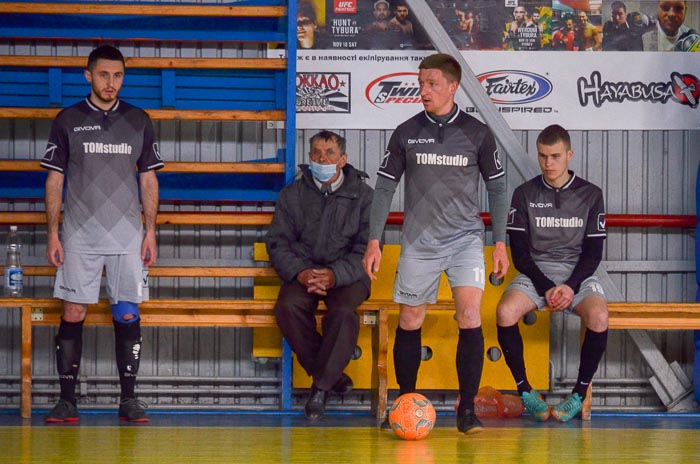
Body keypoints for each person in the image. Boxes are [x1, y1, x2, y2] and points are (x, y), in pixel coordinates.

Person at [362, 53, 509, 434]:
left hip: (465, 240)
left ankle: (466, 413)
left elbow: (497, 186)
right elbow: (383, 187)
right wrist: (374, 240)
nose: (423, 90)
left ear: (452, 87)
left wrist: (500, 244)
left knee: (470, 317)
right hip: (419, 241)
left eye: (431, 84)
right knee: (410, 319)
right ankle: (406, 404)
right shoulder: (405, 131)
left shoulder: (477, 133)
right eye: (421, 83)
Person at [41, 45, 164, 423]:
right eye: (104, 75)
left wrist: (150, 231)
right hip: (79, 235)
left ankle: (128, 400)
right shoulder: (68, 119)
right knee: (74, 311)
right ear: (88, 75)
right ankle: (67, 401)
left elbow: (148, 178)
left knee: (127, 314)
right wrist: (53, 233)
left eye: (118, 76)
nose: (111, 83)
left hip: (128, 236)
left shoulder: (139, 120)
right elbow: (54, 178)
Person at [496, 124, 608, 423]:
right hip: (536, 273)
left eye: (556, 156)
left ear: (569, 155)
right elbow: (519, 254)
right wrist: (546, 286)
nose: (548, 163)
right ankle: (526, 392)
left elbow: (594, 253)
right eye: (543, 156)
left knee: (599, 317)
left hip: (578, 275)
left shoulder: (591, 194)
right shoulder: (524, 194)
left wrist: (570, 286)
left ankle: (578, 395)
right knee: (505, 312)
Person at [266, 130, 373, 421]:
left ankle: (319, 389)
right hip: (304, 271)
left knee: (342, 314)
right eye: (316, 153)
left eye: (329, 154)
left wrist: (335, 275)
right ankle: (331, 377)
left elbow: (367, 248)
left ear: (343, 160)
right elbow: (277, 243)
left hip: (348, 275)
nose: (321, 159)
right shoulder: (293, 194)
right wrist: (300, 273)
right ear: (309, 157)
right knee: (287, 308)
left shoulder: (363, 196)